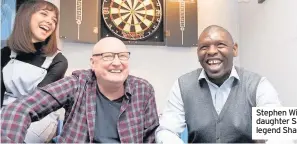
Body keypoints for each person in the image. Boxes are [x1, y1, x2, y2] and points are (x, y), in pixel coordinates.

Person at [1, 37, 159, 143]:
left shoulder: (143, 91)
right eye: (108, 56)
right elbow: (20, 109)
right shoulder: (77, 84)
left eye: (123, 56)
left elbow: (151, 137)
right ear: (93, 62)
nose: (117, 62)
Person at [156, 25, 281, 143]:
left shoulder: (259, 85)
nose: (211, 52)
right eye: (204, 47)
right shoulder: (182, 85)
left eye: (220, 45)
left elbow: (280, 133)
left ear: (235, 49)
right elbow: (166, 130)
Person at [1, 0, 68, 107]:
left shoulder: (58, 61)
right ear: (26, 16)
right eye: (44, 14)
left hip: (36, 119)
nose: (50, 22)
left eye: (54, 20)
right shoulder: (5, 53)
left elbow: (37, 103)